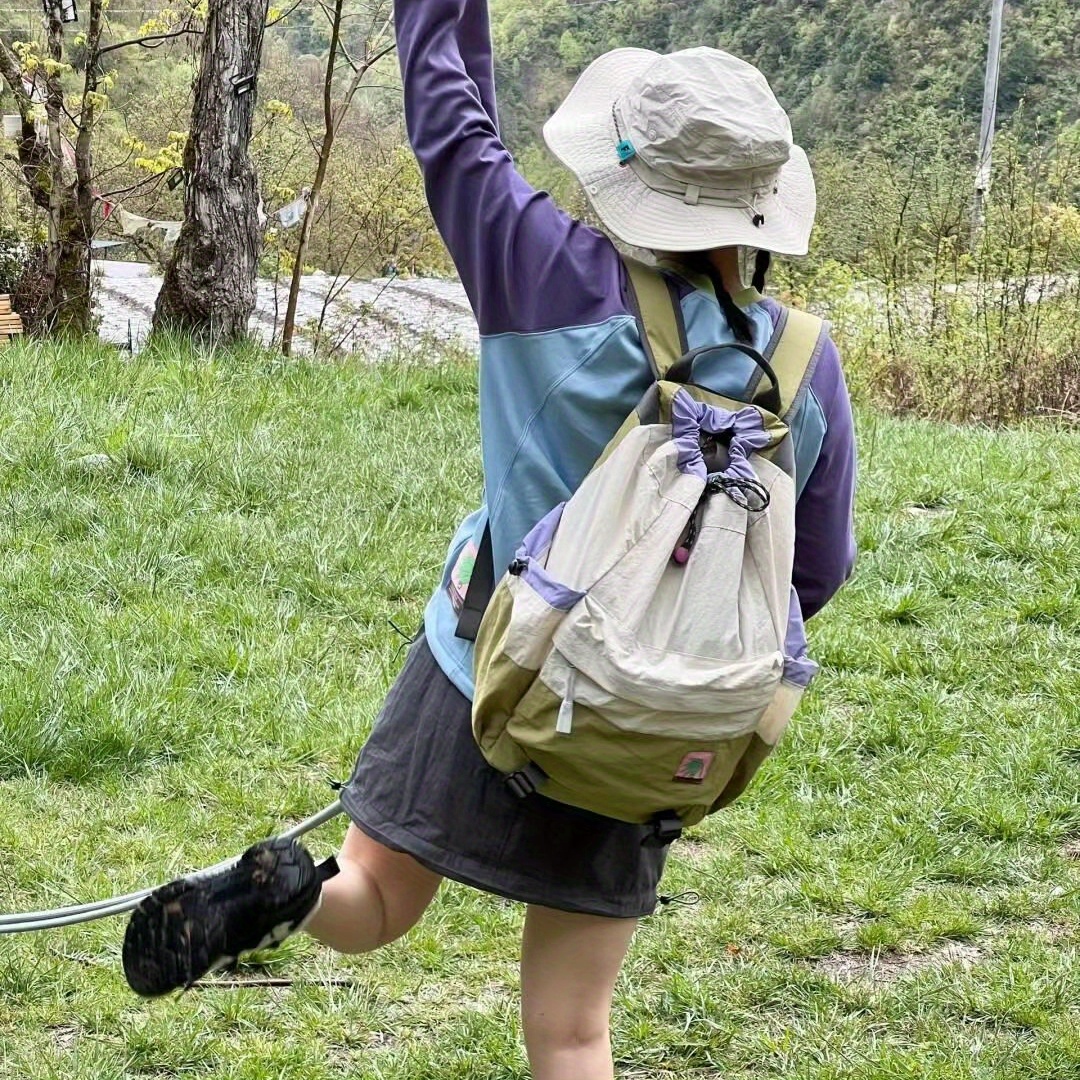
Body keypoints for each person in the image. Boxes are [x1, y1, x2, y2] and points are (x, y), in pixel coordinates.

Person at [121, 6, 857, 1078]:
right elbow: (817, 571)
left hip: (486, 670)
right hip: (649, 720)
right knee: (572, 1032)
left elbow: (452, 127)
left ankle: (283, 892)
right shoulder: (806, 362)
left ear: (626, 181)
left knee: (372, 899)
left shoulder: (542, 271)